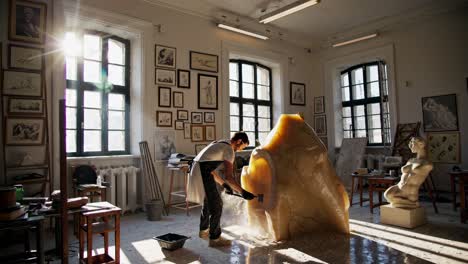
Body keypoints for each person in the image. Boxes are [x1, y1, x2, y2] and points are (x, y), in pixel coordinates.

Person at [186, 132, 255, 247]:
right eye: (243, 147)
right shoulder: (229, 150)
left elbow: (209, 168)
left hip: (196, 170)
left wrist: (223, 184)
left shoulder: (220, 142)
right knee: (217, 205)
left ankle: (203, 231)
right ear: (239, 141)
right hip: (202, 172)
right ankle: (215, 238)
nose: (239, 150)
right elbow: (229, 177)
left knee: (208, 201)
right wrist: (243, 192)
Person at [384, 137, 433, 208]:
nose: (409, 146)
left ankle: (409, 203)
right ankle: (407, 203)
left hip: (410, 193)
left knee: (392, 200)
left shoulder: (427, 164)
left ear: (421, 145)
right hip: (398, 188)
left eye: (412, 144)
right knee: (386, 195)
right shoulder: (411, 160)